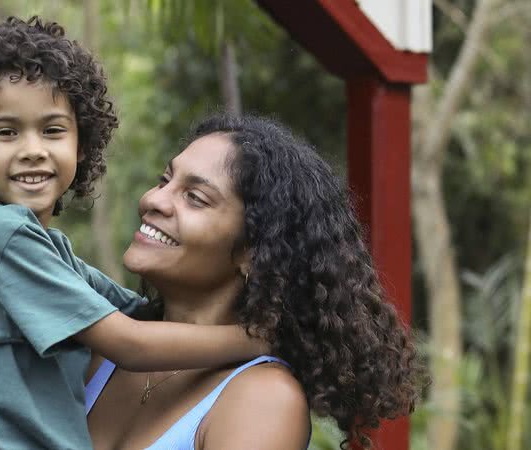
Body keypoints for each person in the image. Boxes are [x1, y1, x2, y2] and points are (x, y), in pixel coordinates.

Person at [0, 17, 264, 450]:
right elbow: (132, 343)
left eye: (52, 130)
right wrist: (260, 338)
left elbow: (140, 313)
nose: (32, 149)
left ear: (81, 145)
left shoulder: (51, 252)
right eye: (6, 132)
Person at [86, 114, 423, 450]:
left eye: (195, 198)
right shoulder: (103, 353)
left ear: (252, 252)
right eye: (164, 180)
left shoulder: (263, 399)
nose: (153, 200)